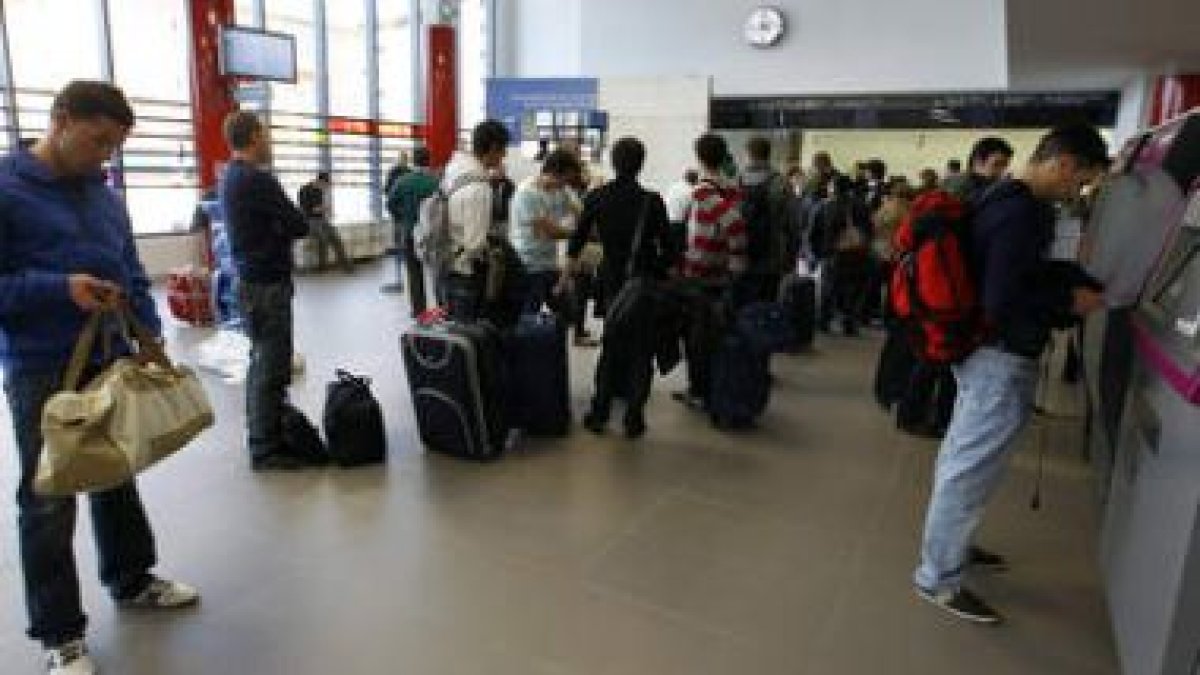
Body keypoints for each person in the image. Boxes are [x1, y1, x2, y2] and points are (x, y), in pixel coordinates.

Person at [0, 80, 200, 675]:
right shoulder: (7, 191)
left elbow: (129, 268)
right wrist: (59, 289)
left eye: (113, 148)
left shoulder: (106, 197)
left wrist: (148, 329)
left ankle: (131, 578)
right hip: (41, 368)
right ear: (60, 119)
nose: (102, 156)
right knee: (48, 496)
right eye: (96, 141)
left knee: (117, 471)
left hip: (109, 356)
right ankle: (60, 635)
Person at [913, 123, 1109, 624]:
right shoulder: (1020, 213)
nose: (1078, 191)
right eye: (1081, 180)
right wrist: (1069, 299)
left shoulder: (1004, 198)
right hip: (996, 357)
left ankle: (952, 546)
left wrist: (1067, 283)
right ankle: (938, 575)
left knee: (966, 458)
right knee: (968, 465)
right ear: (1064, 164)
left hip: (984, 353)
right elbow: (1001, 298)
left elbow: (1014, 276)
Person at [218, 111, 313, 472]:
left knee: (262, 361)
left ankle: (266, 433)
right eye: (267, 135)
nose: (270, 142)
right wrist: (282, 226)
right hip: (267, 286)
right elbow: (299, 224)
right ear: (255, 136)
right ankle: (266, 446)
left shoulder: (231, 177)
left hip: (250, 282)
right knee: (271, 365)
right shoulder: (257, 181)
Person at [565, 137, 676, 438]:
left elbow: (576, 243)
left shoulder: (597, 197)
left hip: (612, 284)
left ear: (613, 163)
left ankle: (599, 413)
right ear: (641, 164)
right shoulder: (653, 202)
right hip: (643, 286)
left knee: (612, 345)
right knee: (642, 351)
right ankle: (634, 418)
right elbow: (670, 251)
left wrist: (566, 276)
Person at [673, 133, 749, 410]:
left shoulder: (704, 191)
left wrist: (738, 261)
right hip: (720, 272)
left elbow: (735, 226)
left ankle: (700, 391)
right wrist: (734, 263)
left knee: (697, 338)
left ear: (701, 157)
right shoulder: (732, 187)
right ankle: (710, 386)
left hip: (701, 272)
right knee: (712, 334)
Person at [440, 119, 511, 320]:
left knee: (455, 331)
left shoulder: (454, 170)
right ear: (494, 148)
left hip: (447, 263)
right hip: (467, 273)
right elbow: (475, 244)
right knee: (471, 336)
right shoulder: (479, 188)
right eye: (503, 150)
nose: (504, 156)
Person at [510, 149, 579, 314]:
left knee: (567, 311)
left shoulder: (560, 190)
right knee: (529, 314)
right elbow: (548, 232)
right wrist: (578, 234)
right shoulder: (527, 192)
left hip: (549, 263)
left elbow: (580, 213)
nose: (568, 183)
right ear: (556, 173)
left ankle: (564, 337)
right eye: (567, 178)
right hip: (528, 265)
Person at [739, 135, 797, 304]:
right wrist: (791, 258)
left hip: (743, 252)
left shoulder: (737, 181)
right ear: (769, 154)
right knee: (768, 301)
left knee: (743, 301)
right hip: (772, 253)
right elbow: (792, 224)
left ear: (748, 154)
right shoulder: (781, 182)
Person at [812, 175, 873, 336]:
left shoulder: (824, 207)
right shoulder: (861, 206)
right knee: (853, 290)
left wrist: (818, 253)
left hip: (831, 254)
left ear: (833, 188)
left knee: (828, 289)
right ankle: (850, 324)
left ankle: (824, 322)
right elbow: (869, 231)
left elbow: (814, 232)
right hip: (856, 254)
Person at [383, 146, 439, 312]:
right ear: (429, 161)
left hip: (409, 231)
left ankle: (419, 309)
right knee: (436, 271)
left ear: (413, 161)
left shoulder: (403, 181)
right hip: (432, 234)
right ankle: (442, 308)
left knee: (414, 271)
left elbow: (390, 203)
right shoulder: (435, 182)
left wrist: (403, 216)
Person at [297, 171, 353, 273]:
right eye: (325, 184)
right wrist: (322, 209)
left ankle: (347, 266)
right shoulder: (304, 190)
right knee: (323, 239)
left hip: (321, 219)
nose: (325, 187)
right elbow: (306, 210)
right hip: (309, 220)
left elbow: (320, 209)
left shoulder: (319, 191)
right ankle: (322, 267)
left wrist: (325, 211)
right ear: (320, 181)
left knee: (336, 238)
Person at [943, 136, 1015, 203]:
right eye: (996, 165)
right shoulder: (958, 186)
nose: (1002, 171)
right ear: (978, 161)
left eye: (1005, 166)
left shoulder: (990, 187)